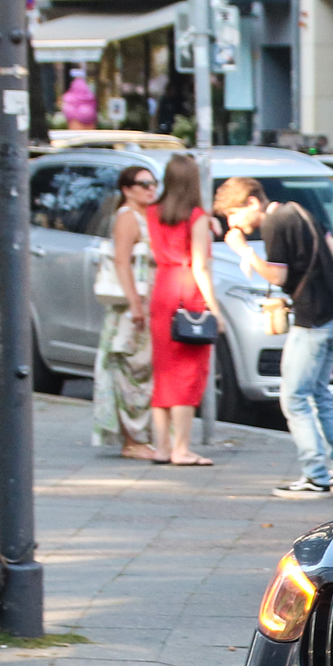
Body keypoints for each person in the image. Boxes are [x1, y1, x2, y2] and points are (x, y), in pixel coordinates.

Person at [216, 175, 333, 497]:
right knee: (321, 394)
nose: (233, 222)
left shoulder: (275, 223)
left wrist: (244, 251)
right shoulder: (299, 211)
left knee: (294, 397)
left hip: (311, 318)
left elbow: (278, 275)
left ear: (252, 202)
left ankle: (316, 475)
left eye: (233, 213)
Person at [140, 153, 218, 467]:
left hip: (163, 289)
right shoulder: (196, 216)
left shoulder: (153, 212)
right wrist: (214, 307)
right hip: (188, 291)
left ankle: (161, 446)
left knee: (163, 373)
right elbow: (200, 265)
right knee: (188, 374)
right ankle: (182, 448)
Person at [91, 163, 160, 461]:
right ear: (127, 189)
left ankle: (143, 436)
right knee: (129, 369)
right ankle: (132, 439)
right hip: (133, 306)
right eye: (143, 184)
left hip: (152, 303)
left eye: (153, 183)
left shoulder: (150, 216)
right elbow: (122, 262)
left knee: (146, 370)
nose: (150, 189)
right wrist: (134, 304)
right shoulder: (128, 218)